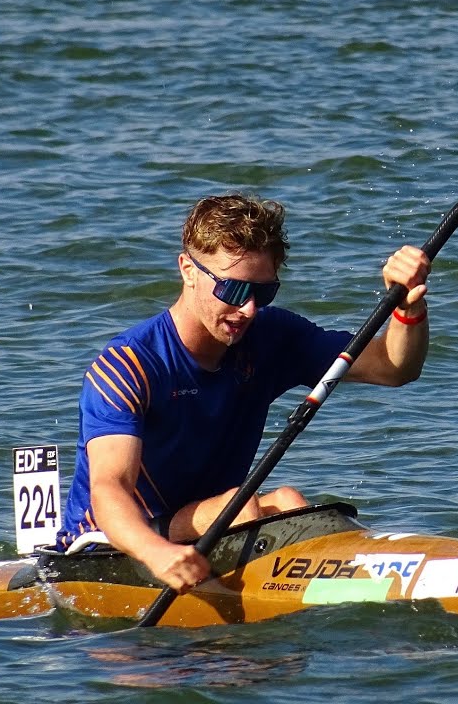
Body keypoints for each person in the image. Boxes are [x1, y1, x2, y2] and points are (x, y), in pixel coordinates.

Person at [55, 193, 431, 594]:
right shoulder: (127, 367)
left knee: (289, 502)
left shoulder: (270, 338)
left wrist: (407, 306)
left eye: (263, 293)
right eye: (233, 291)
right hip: (106, 548)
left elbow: (393, 369)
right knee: (243, 506)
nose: (249, 310)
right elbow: (109, 487)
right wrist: (157, 554)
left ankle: (377, 584)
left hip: (217, 521)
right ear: (188, 270)